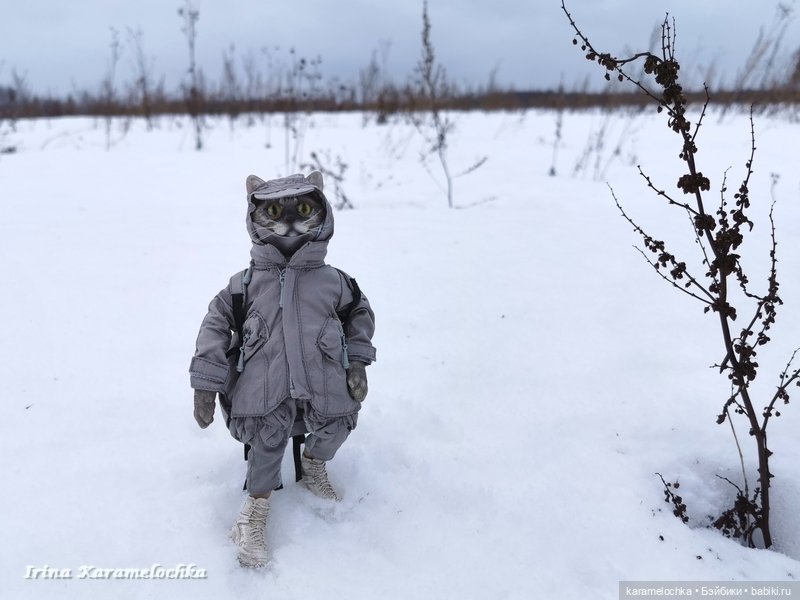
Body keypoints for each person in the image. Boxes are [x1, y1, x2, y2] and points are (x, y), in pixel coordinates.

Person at [189, 171, 377, 568]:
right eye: (274, 212)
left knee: (338, 423)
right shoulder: (245, 284)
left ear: (322, 212)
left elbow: (359, 312)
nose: (290, 220)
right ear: (254, 216)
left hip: (322, 378)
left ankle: (314, 463)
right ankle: (254, 510)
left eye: (304, 209)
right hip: (264, 382)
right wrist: (206, 383)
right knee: (267, 436)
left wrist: (358, 360)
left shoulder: (334, 281)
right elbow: (214, 324)